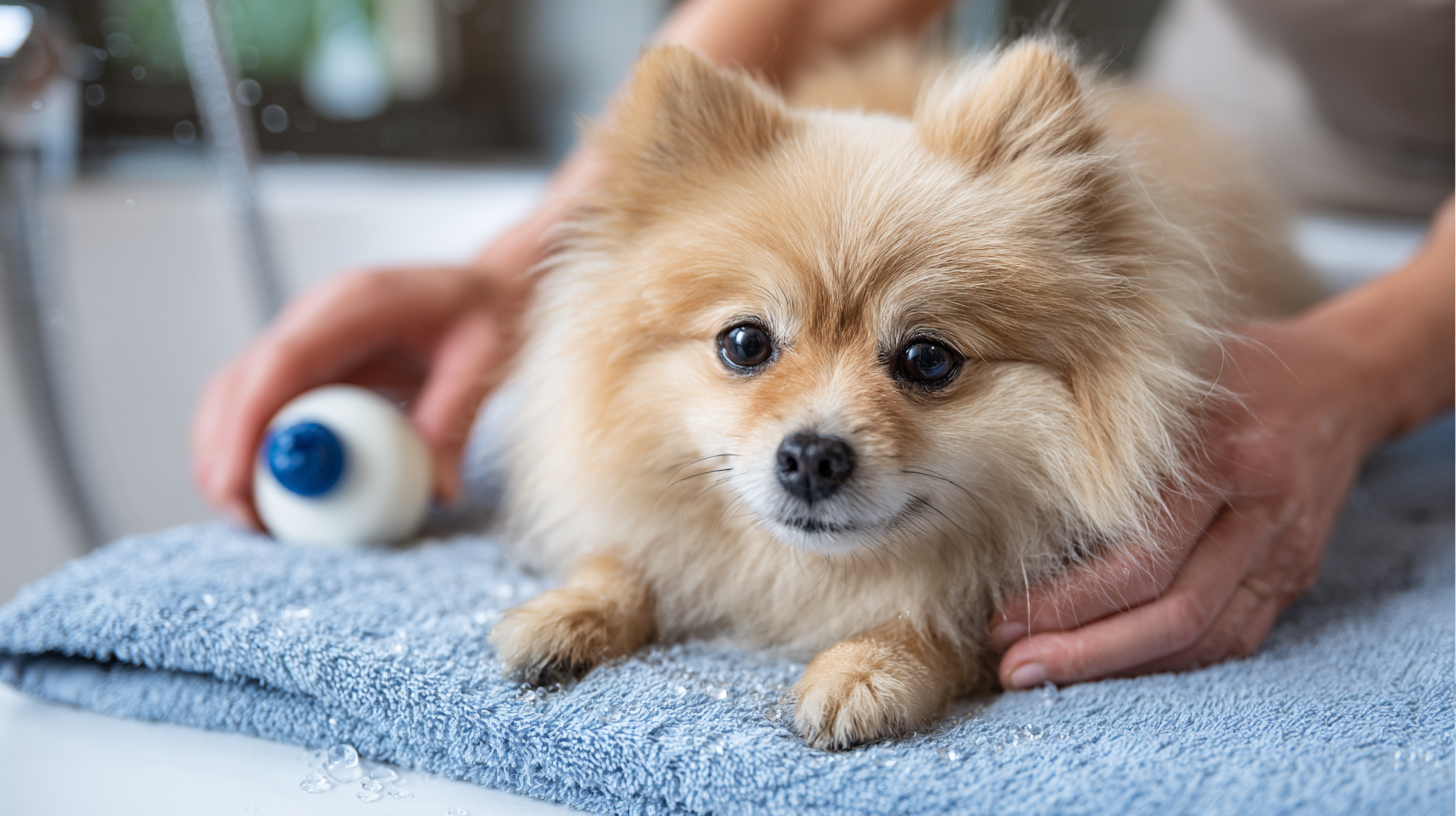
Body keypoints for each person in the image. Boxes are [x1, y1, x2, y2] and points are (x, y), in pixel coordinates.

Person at [191, 0, 1454, 691]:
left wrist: (1373, 360)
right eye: (747, 345)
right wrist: (507, 267)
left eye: (927, 362)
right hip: (1270, 96)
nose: (817, 435)